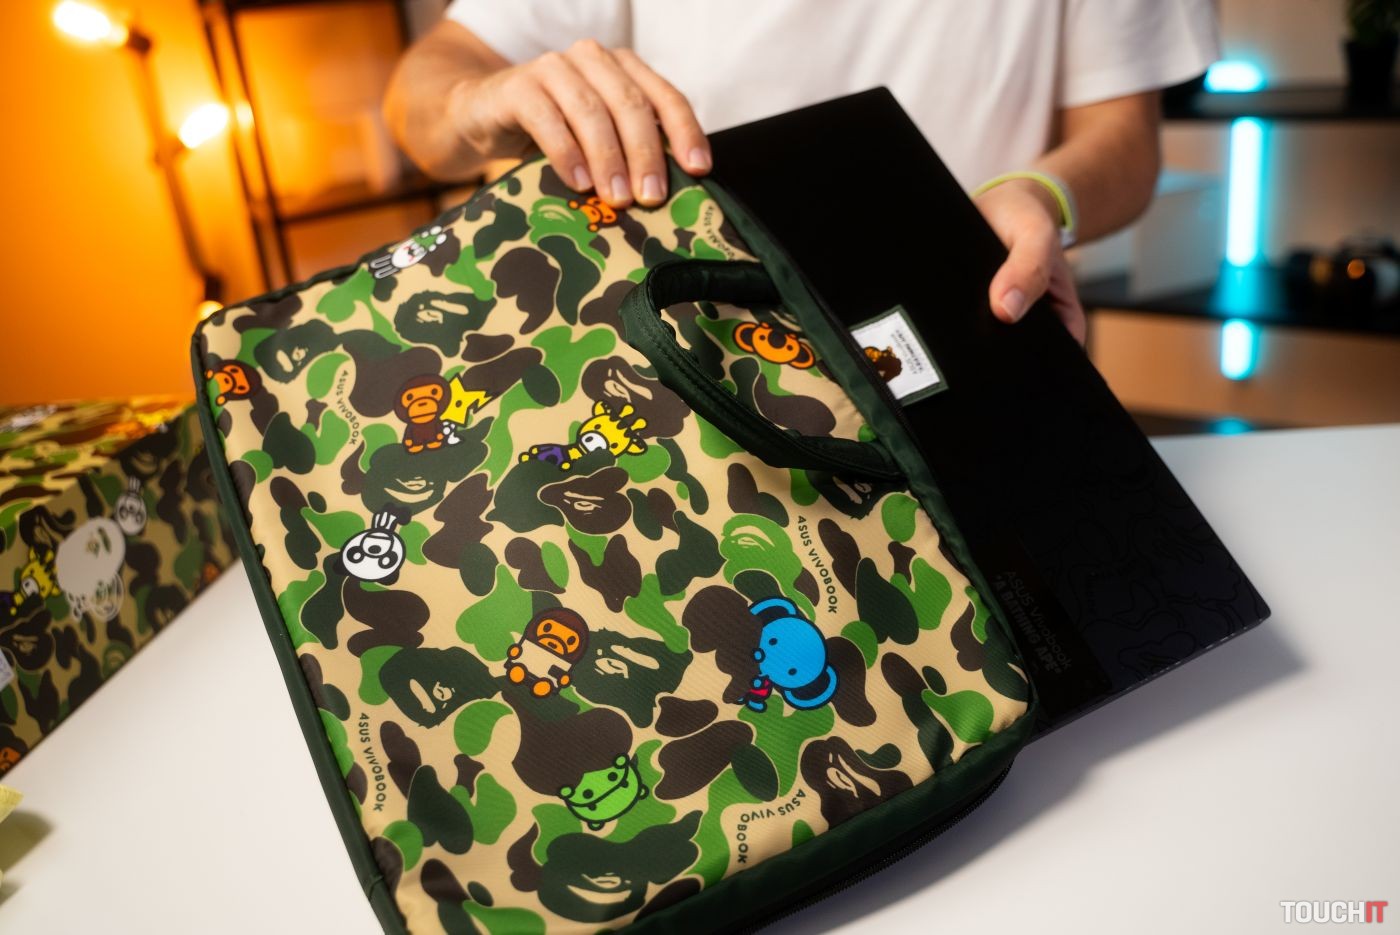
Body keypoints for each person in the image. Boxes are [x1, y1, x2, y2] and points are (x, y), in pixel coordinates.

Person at [385, 1, 1219, 343]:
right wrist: (475, 99)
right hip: (687, 358)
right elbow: (423, 97)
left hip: (969, 338)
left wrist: (1037, 193)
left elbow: (1124, 139)